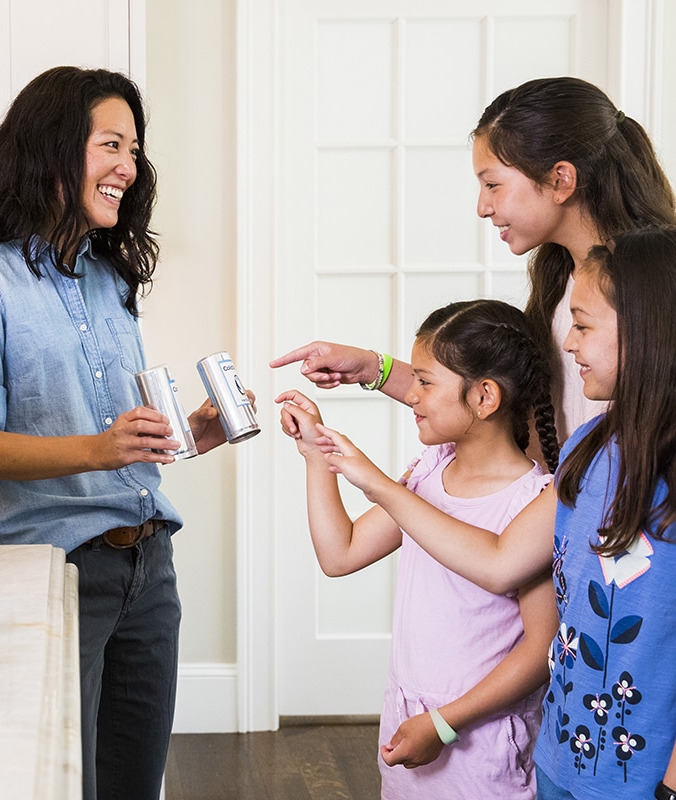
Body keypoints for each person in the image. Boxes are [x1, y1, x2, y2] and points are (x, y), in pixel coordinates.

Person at [0, 66, 237, 800]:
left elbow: (113, 442)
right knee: (63, 785)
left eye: (134, 148)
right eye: (111, 144)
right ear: (54, 148)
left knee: (134, 785)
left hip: (148, 570)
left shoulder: (107, 279)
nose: (129, 166)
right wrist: (102, 448)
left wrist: (183, 437)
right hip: (56, 578)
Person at [301, 228, 676, 800]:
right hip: (557, 753)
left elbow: (504, 572)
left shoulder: (537, 491)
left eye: (582, 324)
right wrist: (322, 457)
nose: (568, 346)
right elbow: (341, 552)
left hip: (551, 762)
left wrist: (374, 480)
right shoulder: (581, 453)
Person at [271, 76, 676, 443]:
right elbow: (501, 409)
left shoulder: (648, 290)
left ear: (560, 179)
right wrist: (374, 370)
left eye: (493, 184)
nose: (483, 207)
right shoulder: (559, 279)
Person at [280, 298, 561, 799]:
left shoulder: (533, 506)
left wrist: (445, 723)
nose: (411, 395)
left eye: (426, 382)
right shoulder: (430, 471)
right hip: (410, 724)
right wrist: (316, 454)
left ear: (485, 397)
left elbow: (541, 652)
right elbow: (339, 553)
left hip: (480, 745)